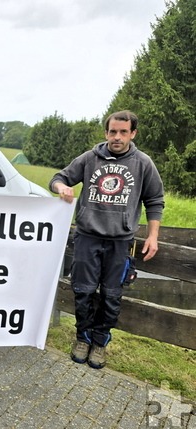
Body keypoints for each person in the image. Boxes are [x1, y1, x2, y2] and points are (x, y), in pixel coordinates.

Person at [49, 110, 164, 369]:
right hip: (87, 238)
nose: (117, 137)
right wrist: (62, 188)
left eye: (123, 132)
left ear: (133, 133)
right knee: (83, 292)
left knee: (112, 295)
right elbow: (57, 178)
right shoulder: (90, 158)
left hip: (120, 242)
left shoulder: (143, 163)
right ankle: (83, 338)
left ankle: (100, 343)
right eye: (113, 131)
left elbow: (155, 201)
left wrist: (153, 236)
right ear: (106, 132)